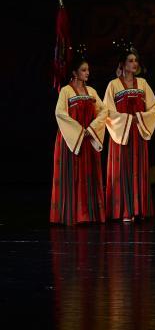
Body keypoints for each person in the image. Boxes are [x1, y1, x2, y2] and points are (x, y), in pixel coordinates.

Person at [103, 40, 155, 222]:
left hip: (138, 132)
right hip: (122, 134)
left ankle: (138, 209)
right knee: (122, 169)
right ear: (123, 64)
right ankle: (124, 210)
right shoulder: (113, 85)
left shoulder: (142, 83)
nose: (134, 63)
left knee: (138, 169)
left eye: (136, 60)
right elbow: (107, 111)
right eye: (130, 60)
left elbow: (154, 105)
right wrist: (127, 119)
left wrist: (140, 118)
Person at [50, 48, 106, 225]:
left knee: (89, 176)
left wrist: (92, 128)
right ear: (74, 72)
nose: (87, 73)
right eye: (83, 70)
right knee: (72, 175)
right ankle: (73, 215)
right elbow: (60, 113)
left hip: (88, 138)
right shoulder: (66, 91)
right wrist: (79, 131)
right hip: (71, 140)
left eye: (88, 70)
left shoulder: (92, 91)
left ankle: (89, 214)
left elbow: (103, 111)